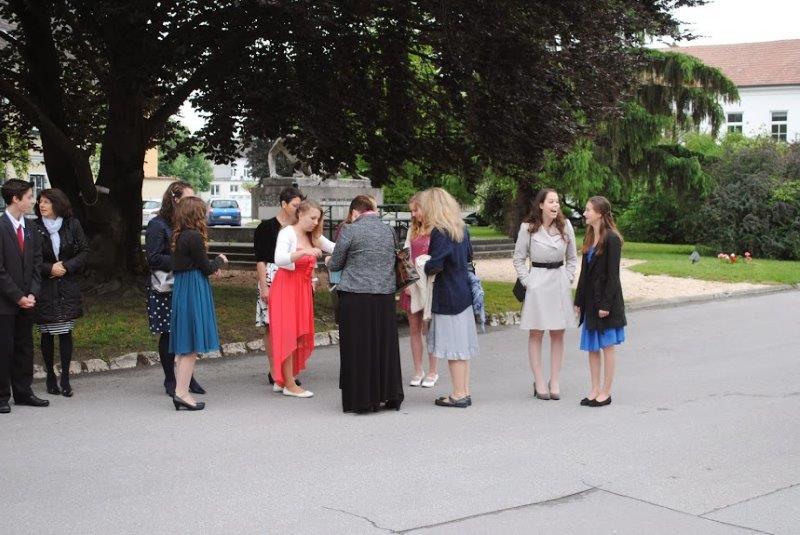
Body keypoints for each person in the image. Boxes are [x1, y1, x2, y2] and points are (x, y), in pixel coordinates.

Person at [329, 195, 404, 413]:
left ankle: (362, 399)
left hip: (356, 295)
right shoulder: (389, 231)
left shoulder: (350, 230)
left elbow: (336, 264)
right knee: (384, 346)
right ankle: (388, 394)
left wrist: (328, 261)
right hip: (384, 296)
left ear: (355, 212)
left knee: (358, 347)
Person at [512, 188, 578, 401]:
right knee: (536, 332)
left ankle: (555, 380)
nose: (555, 205)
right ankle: (539, 380)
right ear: (541, 205)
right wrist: (528, 282)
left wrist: (568, 277)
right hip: (537, 283)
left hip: (559, 282)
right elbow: (518, 258)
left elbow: (572, 258)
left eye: (557, 201)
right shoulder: (528, 228)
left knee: (558, 332)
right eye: (551, 201)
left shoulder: (566, 226)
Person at [145, 181, 205, 397]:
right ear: (175, 199)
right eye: (188, 198)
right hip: (166, 287)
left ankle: (187, 377)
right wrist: (182, 261)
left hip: (186, 283)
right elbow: (153, 258)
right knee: (169, 333)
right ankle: (170, 379)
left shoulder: (187, 224)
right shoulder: (157, 224)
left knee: (187, 331)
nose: (192, 202)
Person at [270, 199, 334, 398]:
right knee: (288, 334)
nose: (315, 222)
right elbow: (279, 259)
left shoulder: (314, 236)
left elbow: (336, 248)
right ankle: (289, 384)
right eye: (312, 218)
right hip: (286, 288)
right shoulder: (287, 232)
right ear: (300, 214)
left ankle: (283, 379)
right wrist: (303, 251)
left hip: (302, 289)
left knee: (297, 335)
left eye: (318, 219)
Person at [421, 187, 478, 408]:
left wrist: (424, 264)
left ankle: (458, 394)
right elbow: (469, 256)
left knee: (454, 347)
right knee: (462, 347)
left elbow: (437, 264)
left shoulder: (440, 231)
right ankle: (464, 390)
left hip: (448, 294)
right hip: (463, 290)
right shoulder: (461, 228)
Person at [169, 197, 228, 411]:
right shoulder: (193, 236)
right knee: (190, 346)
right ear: (196, 214)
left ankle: (180, 391)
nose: (206, 214)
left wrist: (211, 265)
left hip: (183, 287)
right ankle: (182, 393)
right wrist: (220, 260)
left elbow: (193, 263)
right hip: (193, 287)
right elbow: (206, 268)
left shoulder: (179, 235)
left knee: (184, 344)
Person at [34, 188, 90, 397]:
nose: (42, 205)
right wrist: (50, 268)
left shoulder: (72, 224)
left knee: (65, 330)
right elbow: (31, 258)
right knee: (47, 331)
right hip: (45, 286)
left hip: (67, 285)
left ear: (57, 204)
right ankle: (50, 375)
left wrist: (66, 267)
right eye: (40, 201)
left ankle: (65, 377)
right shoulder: (35, 227)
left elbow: (84, 251)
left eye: (46, 202)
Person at [0, 179, 47, 413]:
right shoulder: (1, 227)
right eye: (29, 197)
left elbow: (37, 263)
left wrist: (32, 293)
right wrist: (17, 296)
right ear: (15, 199)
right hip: (5, 302)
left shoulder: (30, 228)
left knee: (24, 347)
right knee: (4, 349)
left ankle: (23, 391)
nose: (33, 201)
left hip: (28, 300)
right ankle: (1, 395)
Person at [574, 196, 626, 408]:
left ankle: (606, 391)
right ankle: (595, 389)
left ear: (600, 213)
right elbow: (584, 274)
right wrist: (578, 300)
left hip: (606, 302)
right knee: (592, 347)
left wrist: (606, 304)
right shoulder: (589, 237)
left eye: (588, 210)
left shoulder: (612, 239)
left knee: (606, 346)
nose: (584, 213)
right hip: (590, 301)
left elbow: (613, 276)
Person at [254, 186, 305, 386]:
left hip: (294, 278)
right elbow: (260, 260)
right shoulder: (266, 227)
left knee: (292, 325)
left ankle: (289, 371)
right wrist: (264, 287)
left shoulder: (299, 227)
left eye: (300, 206)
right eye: (295, 205)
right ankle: (274, 369)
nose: (298, 209)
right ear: (284, 204)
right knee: (270, 325)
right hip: (271, 277)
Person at [399, 191, 438, 388]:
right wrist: (407, 282)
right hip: (413, 284)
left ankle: (433, 371)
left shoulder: (438, 230)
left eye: (416, 210)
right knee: (414, 328)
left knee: (430, 328)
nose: (413, 214)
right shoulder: (412, 230)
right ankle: (418, 370)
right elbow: (405, 256)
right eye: (411, 211)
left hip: (430, 284)